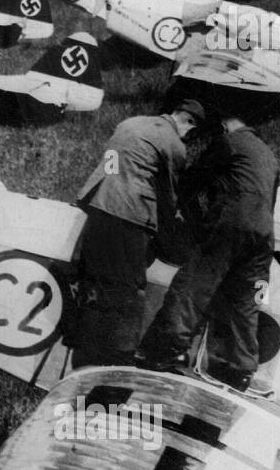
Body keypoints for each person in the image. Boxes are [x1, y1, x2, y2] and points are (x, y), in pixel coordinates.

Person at [136, 113, 279, 397]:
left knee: (192, 286)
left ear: (224, 127)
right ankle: (237, 369)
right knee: (243, 301)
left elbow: (190, 183)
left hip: (230, 224)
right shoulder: (269, 157)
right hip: (263, 236)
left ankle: (164, 351)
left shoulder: (228, 144)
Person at [70, 99, 206, 368]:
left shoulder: (129, 123)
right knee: (130, 289)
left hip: (99, 205)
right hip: (129, 217)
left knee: (94, 280)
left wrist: (113, 189)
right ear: (190, 124)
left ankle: (82, 343)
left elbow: (110, 162)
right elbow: (169, 197)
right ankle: (120, 355)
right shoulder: (174, 144)